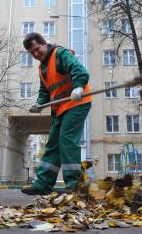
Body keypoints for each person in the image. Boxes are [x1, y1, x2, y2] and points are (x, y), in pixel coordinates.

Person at [21, 32, 92, 195]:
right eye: (32, 53)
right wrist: (39, 103)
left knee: (66, 140)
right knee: (53, 144)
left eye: (37, 49)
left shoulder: (60, 54)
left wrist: (78, 87)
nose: (36, 54)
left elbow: (78, 70)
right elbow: (45, 91)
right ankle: (43, 184)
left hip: (77, 103)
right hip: (60, 108)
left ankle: (74, 185)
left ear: (44, 43)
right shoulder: (42, 68)